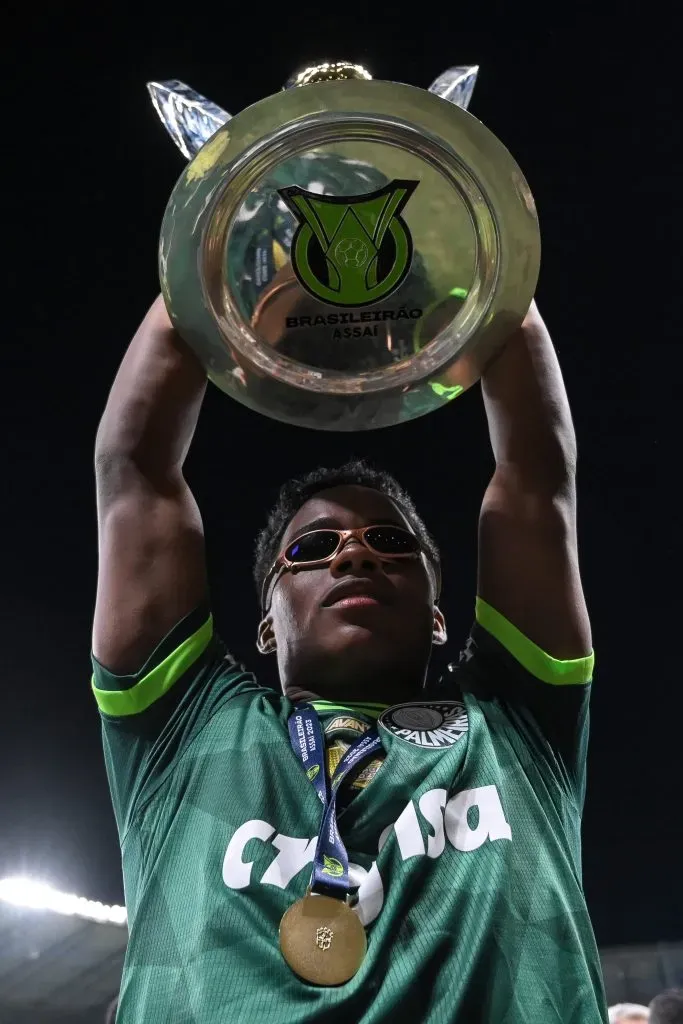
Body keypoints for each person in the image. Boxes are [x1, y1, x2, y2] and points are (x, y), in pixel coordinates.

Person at [92, 293, 607, 1022]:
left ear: (438, 617)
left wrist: (472, 270)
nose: (355, 555)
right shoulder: (184, 728)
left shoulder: (516, 722)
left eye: (390, 544)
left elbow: (536, 475)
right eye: (313, 548)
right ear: (265, 626)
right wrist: (222, 272)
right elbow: (134, 471)